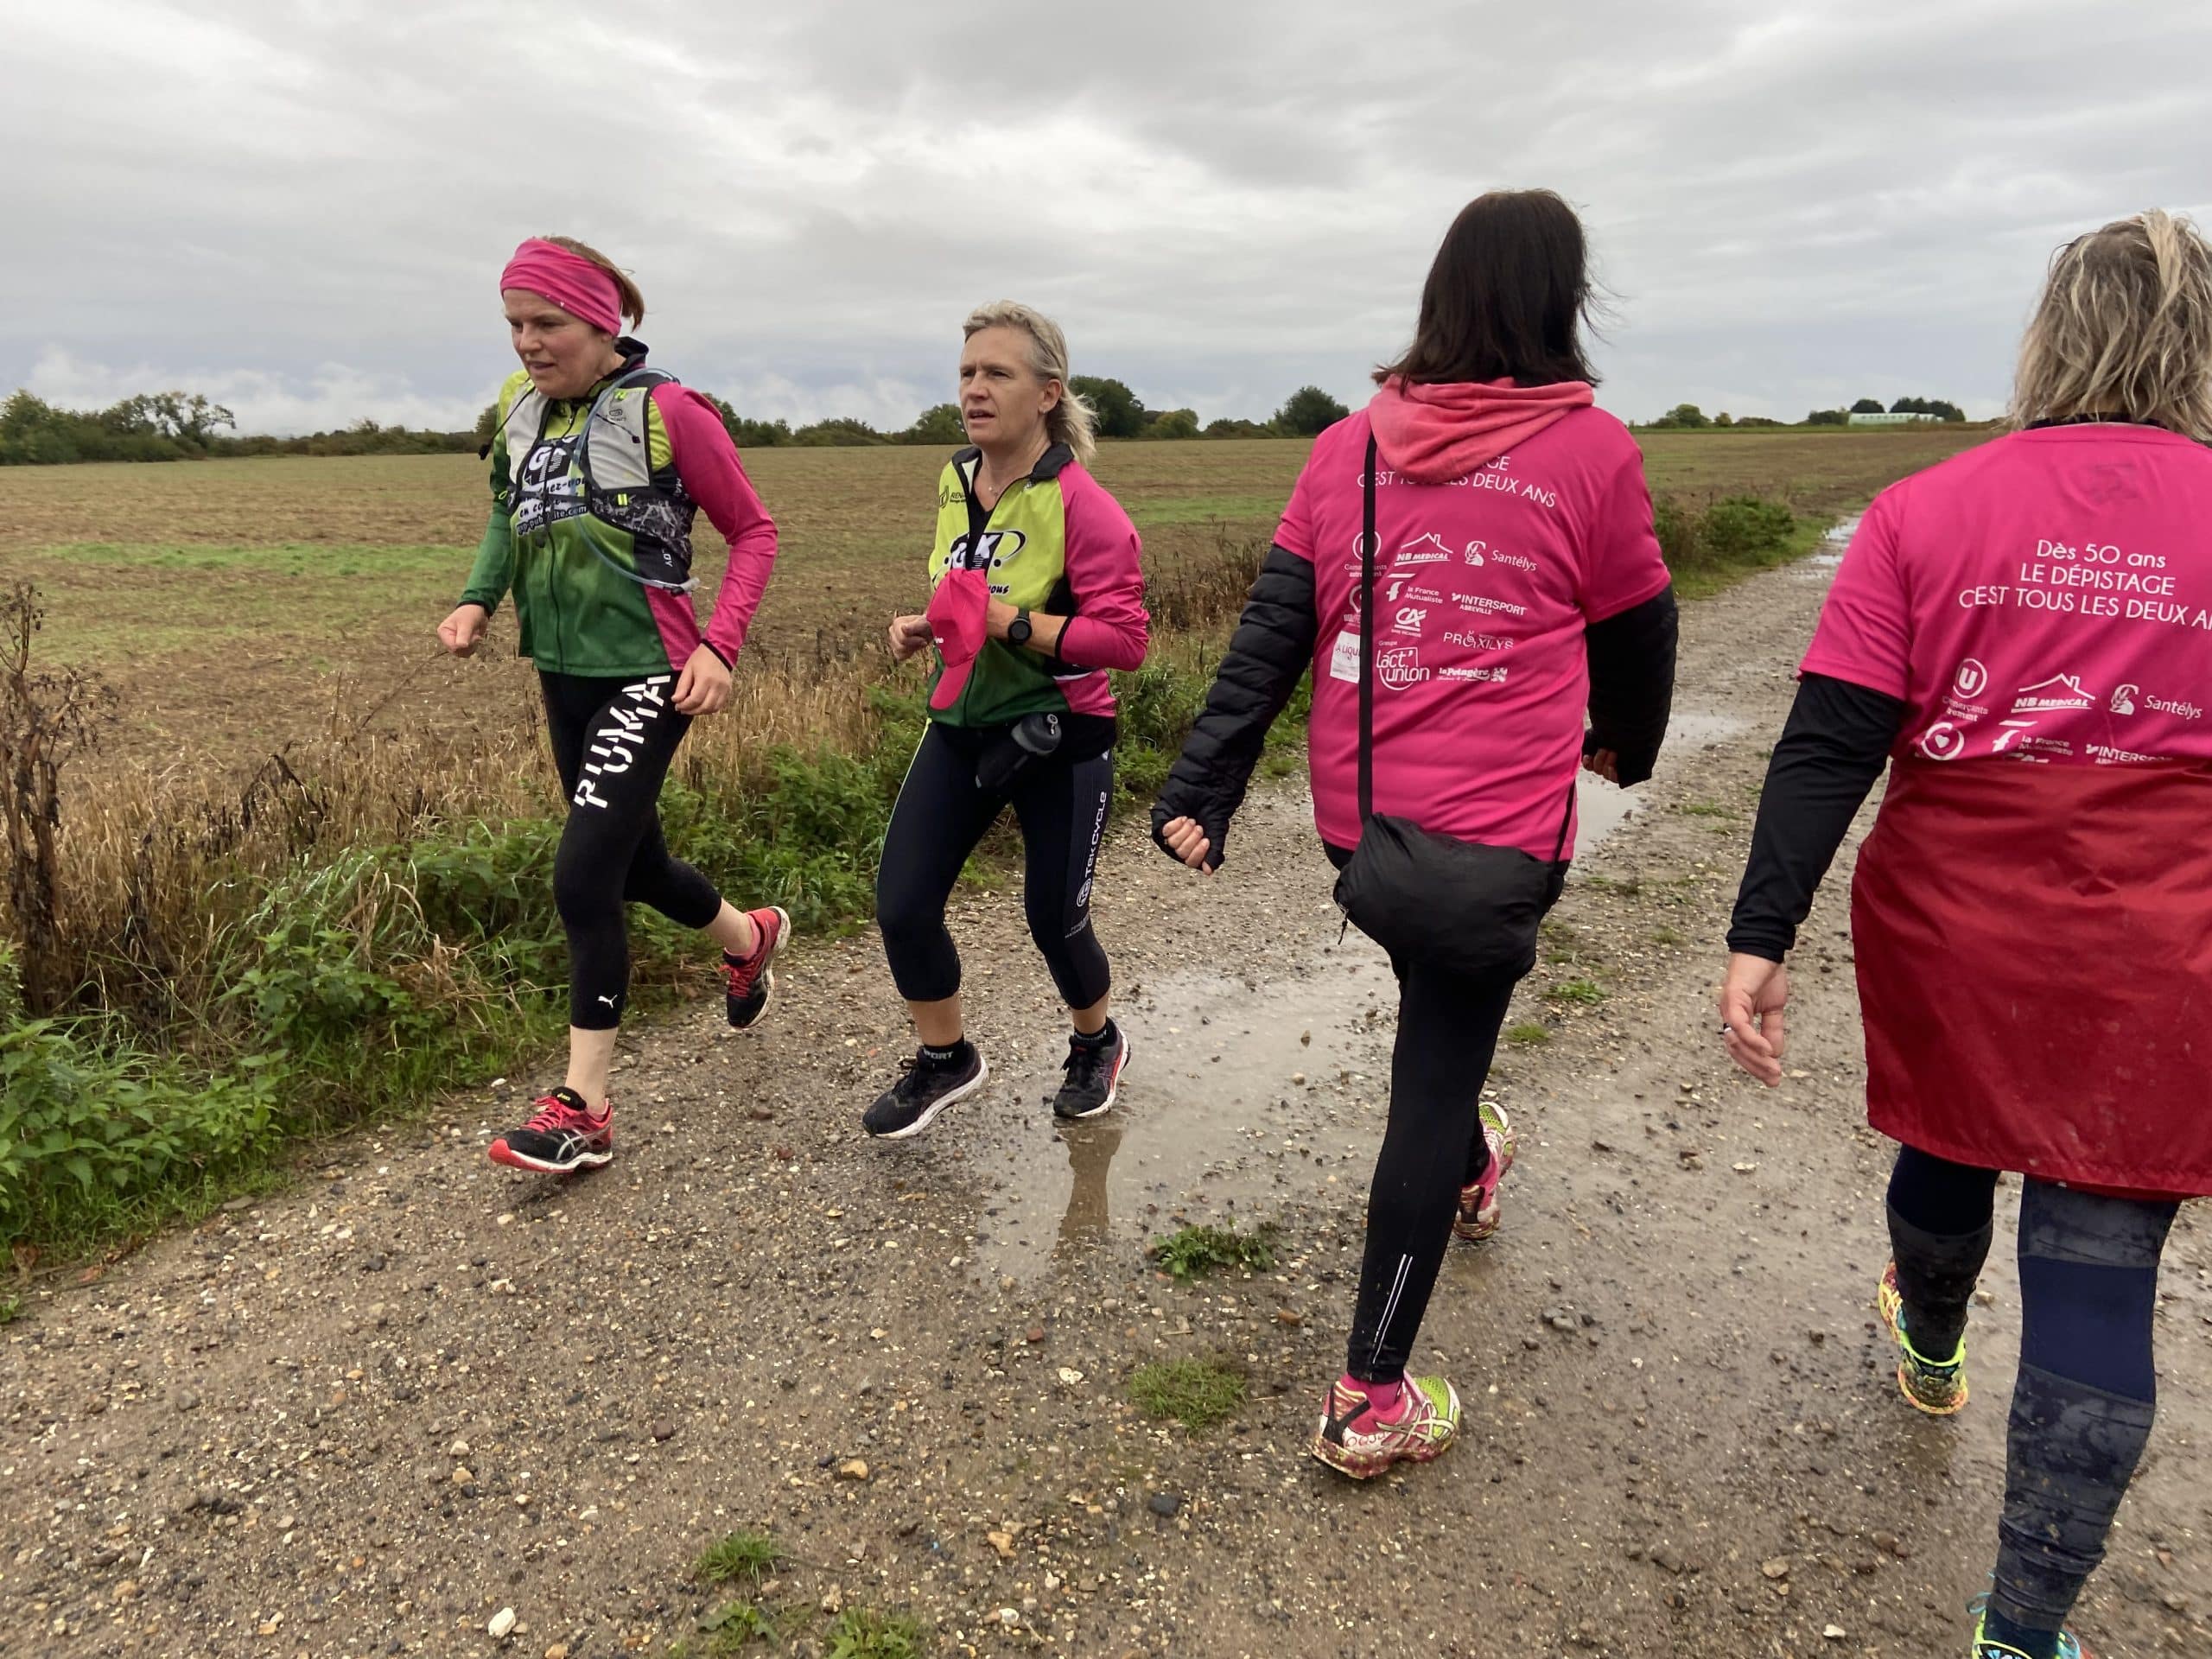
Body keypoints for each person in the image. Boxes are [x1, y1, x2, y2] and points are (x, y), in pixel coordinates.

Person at [1719, 211, 2212, 1659]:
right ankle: (2025, 1631)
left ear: (2051, 337)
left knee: (1949, 1133)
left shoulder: (1924, 509)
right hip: (2169, 950)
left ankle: (1932, 1341)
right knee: (2100, 1270)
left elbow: (1830, 742)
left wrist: (1761, 933)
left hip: (1956, 925)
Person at [1152, 189, 1677, 1480]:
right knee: (1432, 1078)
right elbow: (1641, 630)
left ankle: (1472, 1160)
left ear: (1439, 295)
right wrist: (1627, 744)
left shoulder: (1346, 448)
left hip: (1363, 828)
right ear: (1562, 300)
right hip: (1496, 837)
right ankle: (1369, 1397)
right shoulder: (1592, 452)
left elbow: (1272, 631)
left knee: (1436, 1014)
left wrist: (1203, 786)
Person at [437, 235, 786, 1174]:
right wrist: (477, 599)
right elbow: (507, 511)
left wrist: (720, 645)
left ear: (601, 324)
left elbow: (754, 532)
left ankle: (583, 1107)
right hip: (562, 670)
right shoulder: (518, 409)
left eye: (546, 323)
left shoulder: (669, 410)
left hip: (649, 672)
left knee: (583, 877)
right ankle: (749, 937)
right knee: (637, 867)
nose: (527, 343)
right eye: (514, 324)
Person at [863, 302, 1150, 1139]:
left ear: (1048, 393)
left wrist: (1013, 626)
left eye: (998, 373)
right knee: (902, 903)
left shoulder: (1084, 506)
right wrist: (927, 625)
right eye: (967, 373)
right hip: (962, 722)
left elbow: (1125, 641)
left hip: (1060, 733)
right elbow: (965, 593)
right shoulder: (955, 481)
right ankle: (946, 1058)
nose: (975, 390)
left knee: (1053, 919)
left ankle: (1096, 1042)